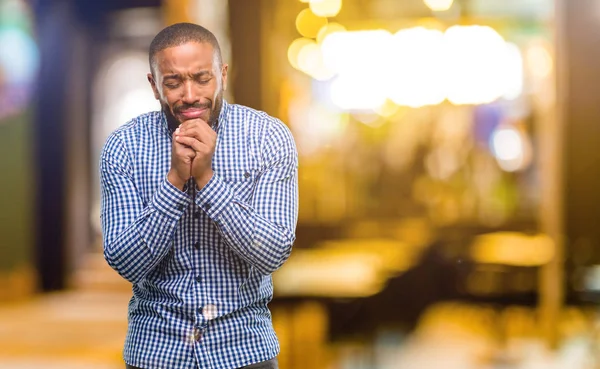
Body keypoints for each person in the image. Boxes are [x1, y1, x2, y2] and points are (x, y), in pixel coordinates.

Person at [100, 22, 298, 369]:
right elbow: (126, 263)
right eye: (173, 82)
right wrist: (176, 179)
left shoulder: (268, 138)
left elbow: (273, 253)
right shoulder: (123, 148)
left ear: (222, 74)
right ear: (154, 85)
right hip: (156, 352)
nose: (189, 95)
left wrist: (207, 178)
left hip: (243, 350)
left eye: (202, 78)